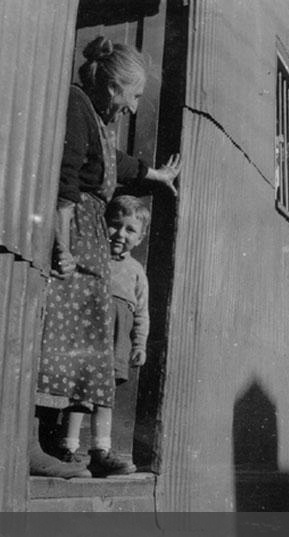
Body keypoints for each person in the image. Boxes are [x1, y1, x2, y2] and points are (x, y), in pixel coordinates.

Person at [31, 36, 183, 478]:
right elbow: (67, 183)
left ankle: (63, 447)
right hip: (75, 235)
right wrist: (61, 248)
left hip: (87, 239)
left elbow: (111, 164)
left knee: (79, 344)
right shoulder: (77, 105)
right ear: (115, 88)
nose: (134, 107)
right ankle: (39, 445)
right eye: (134, 96)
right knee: (61, 340)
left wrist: (154, 173)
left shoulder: (95, 117)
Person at [53, 196, 151, 476]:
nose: (121, 234)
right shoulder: (92, 259)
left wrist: (140, 343)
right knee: (78, 395)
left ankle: (100, 451)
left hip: (115, 340)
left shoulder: (136, 271)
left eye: (130, 229)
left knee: (104, 396)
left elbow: (142, 312)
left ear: (140, 237)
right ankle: (67, 449)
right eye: (115, 225)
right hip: (87, 336)